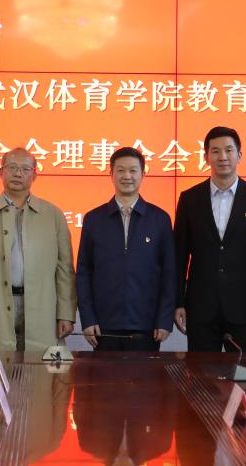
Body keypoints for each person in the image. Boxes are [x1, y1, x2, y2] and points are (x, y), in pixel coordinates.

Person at [173, 126, 246, 352]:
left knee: (244, 372)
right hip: (201, 308)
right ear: (206, 157)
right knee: (201, 373)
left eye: (229, 150)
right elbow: (179, 256)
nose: (222, 156)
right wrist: (178, 302)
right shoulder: (189, 199)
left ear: (239, 155)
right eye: (215, 151)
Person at [0, 147, 76, 351]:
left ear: (35, 175)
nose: (18, 173)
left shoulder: (53, 215)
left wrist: (66, 313)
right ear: (1, 172)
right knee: (0, 367)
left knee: (40, 367)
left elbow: (64, 270)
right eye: (12, 167)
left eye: (25, 169)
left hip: (43, 308)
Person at [76, 146, 176, 352]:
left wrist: (164, 319)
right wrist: (87, 318)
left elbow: (169, 273)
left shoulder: (159, 219)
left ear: (143, 174)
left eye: (133, 170)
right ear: (111, 174)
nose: (127, 176)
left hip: (147, 326)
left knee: (145, 375)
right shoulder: (94, 219)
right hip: (104, 325)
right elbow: (84, 272)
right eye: (120, 170)